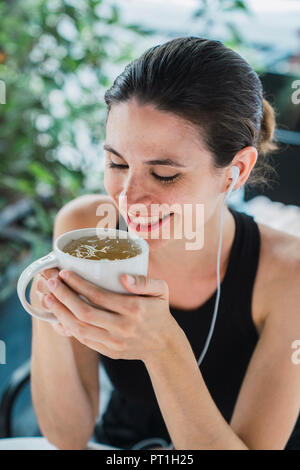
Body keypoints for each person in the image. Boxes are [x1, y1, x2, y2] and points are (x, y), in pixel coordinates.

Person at [29, 37, 300, 450]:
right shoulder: (85, 228)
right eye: (117, 163)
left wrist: (163, 348)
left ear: (235, 171)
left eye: (165, 175)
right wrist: (49, 306)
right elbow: (67, 438)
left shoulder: (290, 276)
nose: (128, 199)